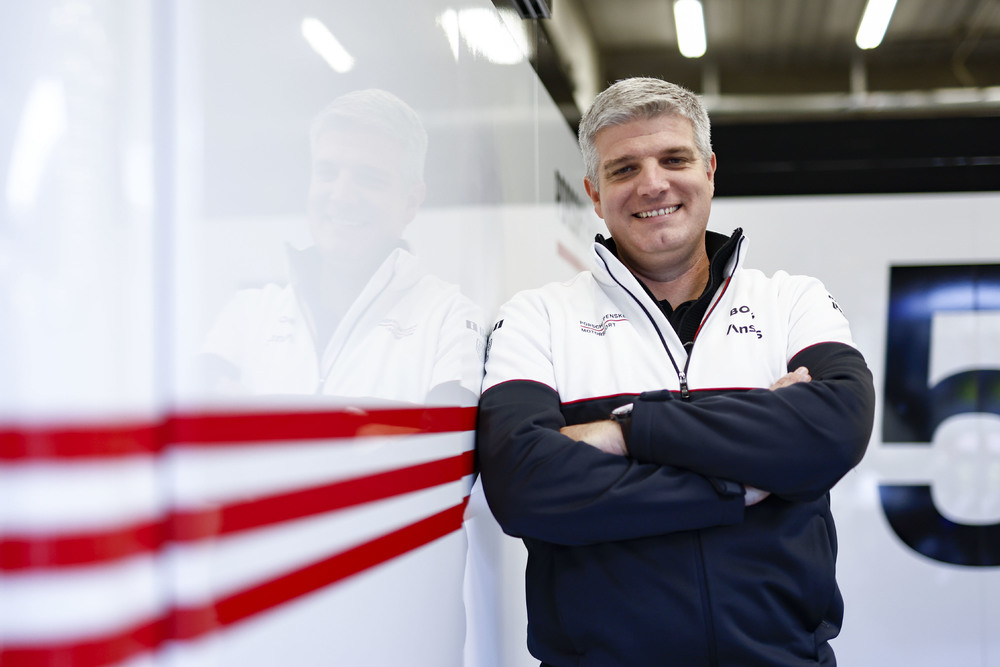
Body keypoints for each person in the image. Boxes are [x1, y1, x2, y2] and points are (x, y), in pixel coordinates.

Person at [476, 77, 876, 666]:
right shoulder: (538, 317)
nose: (652, 184)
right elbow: (524, 484)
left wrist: (627, 432)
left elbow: (835, 428)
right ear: (594, 193)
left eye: (674, 159)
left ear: (709, 170)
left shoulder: (792, 301)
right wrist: (733, 485)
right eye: (624, 169)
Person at [200, 89, 484, 407]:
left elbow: (446, 438)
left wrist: (259, 419)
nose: (342, 196)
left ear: (411, 202)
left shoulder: (448, 319)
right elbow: (199, 430)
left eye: (369, 179)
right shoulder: (249, 313)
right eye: (327, 173)